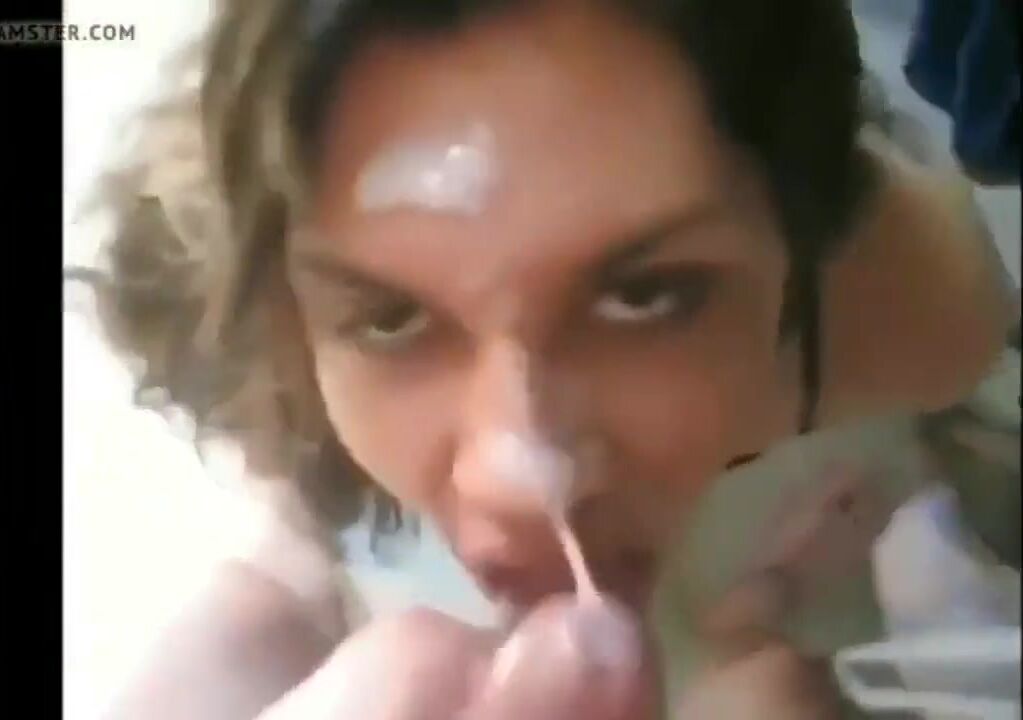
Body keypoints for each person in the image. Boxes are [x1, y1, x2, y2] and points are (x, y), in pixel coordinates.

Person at [76, 0, 1016, 717]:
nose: (528, 477)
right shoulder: (238, 324)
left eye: (646, 296)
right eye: (391, 316)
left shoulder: (914, 316)